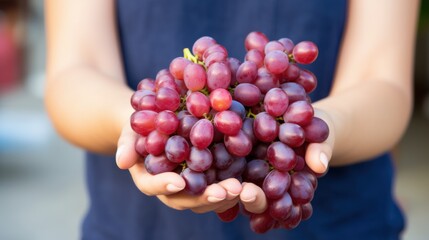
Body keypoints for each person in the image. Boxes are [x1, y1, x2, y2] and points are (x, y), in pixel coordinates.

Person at [44, 0, 419, 239]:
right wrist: (128, 121)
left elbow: (384, 82)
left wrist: (326, 125)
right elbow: (73, 72)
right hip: (134, 228)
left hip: (340, 227)